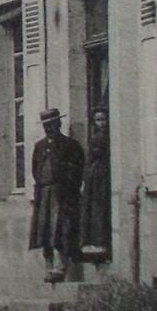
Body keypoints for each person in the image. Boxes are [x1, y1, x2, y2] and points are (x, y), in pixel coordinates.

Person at [28, 108, 85, 283]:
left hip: (62, 194)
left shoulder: (70, 145)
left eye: (52, 124)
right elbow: (34, 170)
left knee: (60, 230)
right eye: (46, 125)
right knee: (44, 231)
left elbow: (79, 169)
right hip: (44, 193)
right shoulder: (40, 146)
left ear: (58, 124)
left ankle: (61, 268)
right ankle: (49, 268)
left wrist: (68, 187)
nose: (49, 128)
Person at [79, 107, 113, 262]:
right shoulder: (95, 138)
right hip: (96, 178)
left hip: (105, 175)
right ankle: (97, 246)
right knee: (96, 210)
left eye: (104, 119)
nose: (102, 123)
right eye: (99, 120)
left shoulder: (110, 137)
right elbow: (90, 160)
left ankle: (102, 244)